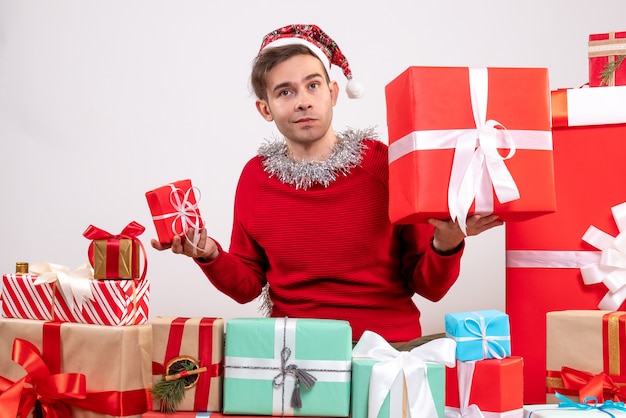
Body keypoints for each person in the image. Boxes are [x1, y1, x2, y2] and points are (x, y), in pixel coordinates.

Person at [151, 23, 503, 345]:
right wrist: (210, 254)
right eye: (285, 92)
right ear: (265, 108)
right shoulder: (255, 179)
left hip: (387, 351)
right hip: (293, 354)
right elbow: (247, 287)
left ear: (333, 92)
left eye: (313, 85)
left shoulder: (385, 166)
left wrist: (447, 244)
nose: (303, 100)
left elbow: (430, 287)